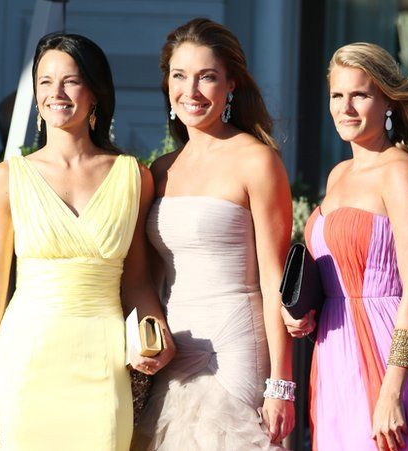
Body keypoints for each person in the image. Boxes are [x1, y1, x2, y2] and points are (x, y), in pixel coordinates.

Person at [0, 32, 174, 450]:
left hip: (104, 361)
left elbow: (136, 282)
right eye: (45, 81)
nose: (55, 93)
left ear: (95, 91)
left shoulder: (134, 176)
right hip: (25, 362)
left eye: (71, 80)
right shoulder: (8, 178)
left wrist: (158, 336)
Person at [132, 18, 295, 450]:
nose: (192, 90)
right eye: (180, 76)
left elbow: (274, 278)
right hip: (172, 350)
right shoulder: (160, 170)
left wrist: (281, 384)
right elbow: (146, 278)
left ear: (231, 85)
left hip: (235, 347)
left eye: (207, 77)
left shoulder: (257, 161)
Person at [282, 42, 408, 450]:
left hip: (388, 349)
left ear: (387, 99)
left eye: (359, 94)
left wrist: (392, 390)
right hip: (333, 351)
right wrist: (304, 311)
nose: (345, 107)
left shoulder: (400, 172)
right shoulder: (338, 174)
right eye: (337, 95)